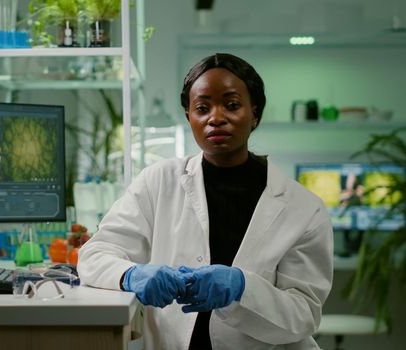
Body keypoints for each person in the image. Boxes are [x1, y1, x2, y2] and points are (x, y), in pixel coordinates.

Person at [77, 53, 333, 349]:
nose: (216, 118)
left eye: (232, 105)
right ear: (189, 117)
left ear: (255, 114)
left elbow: (303, 316)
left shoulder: (304, 209)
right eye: (202, 108)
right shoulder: (158, 181)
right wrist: (131, 274)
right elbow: (94, 256)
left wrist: (241, 288)